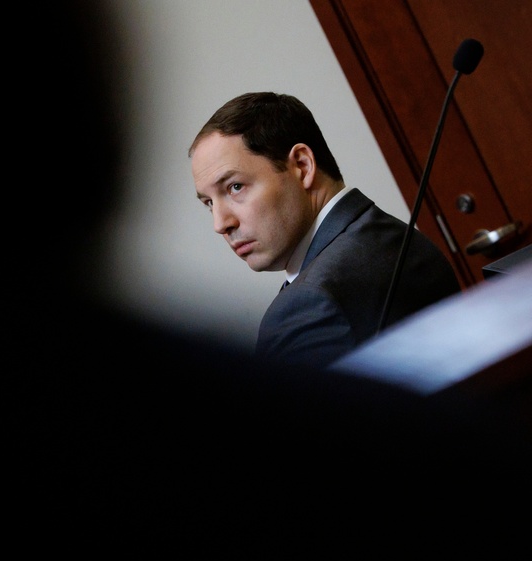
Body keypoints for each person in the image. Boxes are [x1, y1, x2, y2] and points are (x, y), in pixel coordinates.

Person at [189, 91, 461, 367]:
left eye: (235, 187)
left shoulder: (309, 303)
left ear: (302, 166)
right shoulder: (390, 235)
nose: (221, 223)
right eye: (209, 202)